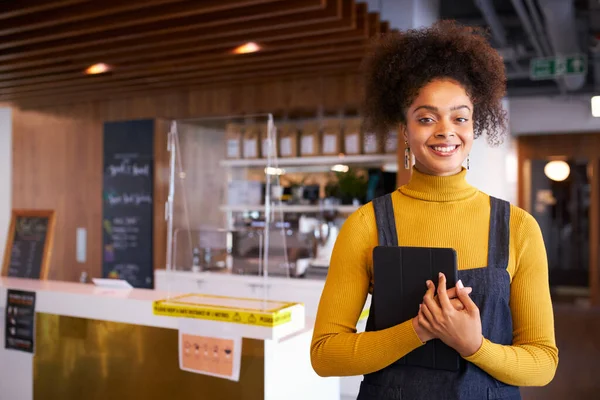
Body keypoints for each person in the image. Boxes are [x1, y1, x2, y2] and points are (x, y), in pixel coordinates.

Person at [310, 21, 558, 399]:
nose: (446, 130)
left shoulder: (518, 227)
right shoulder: (366, 225)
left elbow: (542, 363)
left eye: (460, 117)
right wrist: (419, 330)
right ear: (405, 130)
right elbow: (325, 355)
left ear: (475, 127)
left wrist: (474, 345)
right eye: (427, 118)